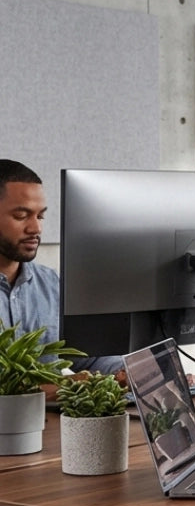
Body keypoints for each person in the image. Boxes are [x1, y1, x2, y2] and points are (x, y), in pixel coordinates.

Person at [0, 159, 125, 376]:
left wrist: (134, 372)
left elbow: (86, 359)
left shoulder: (53, 285)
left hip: (52, 412)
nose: (36, 228)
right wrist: (58, 387)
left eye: (40, 216)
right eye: (21, 216)